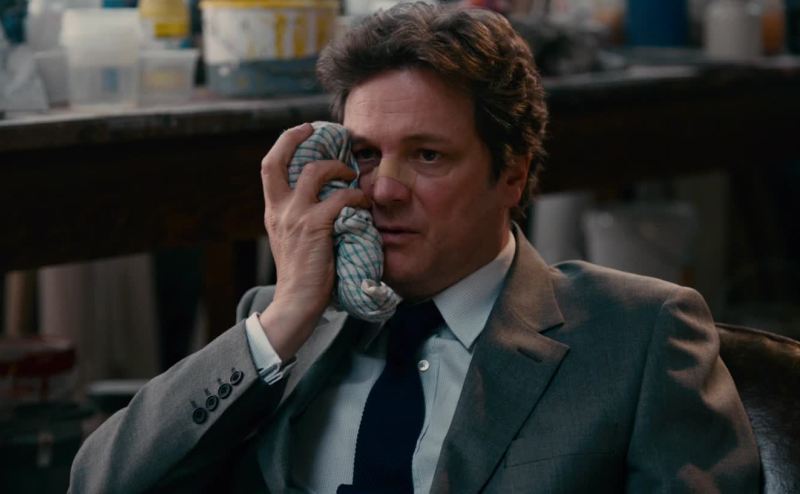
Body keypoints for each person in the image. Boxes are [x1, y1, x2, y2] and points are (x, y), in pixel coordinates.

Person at [69, 3, 760, 493]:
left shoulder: (639, 335)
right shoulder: (283, 328)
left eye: (428, 155)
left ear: (511, 173)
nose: (384, 191)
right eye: (366, 155)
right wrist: (284, 318)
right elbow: (100, 484)